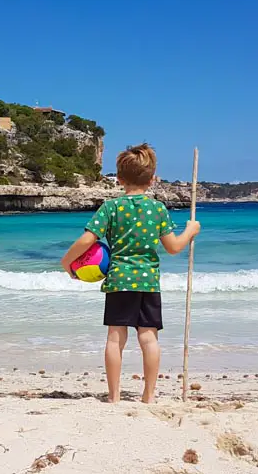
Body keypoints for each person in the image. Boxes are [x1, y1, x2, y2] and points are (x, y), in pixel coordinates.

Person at [61, 144, 200, 403]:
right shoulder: (157, 209)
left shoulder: (111, 208)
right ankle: (148, 396)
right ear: (152, 179)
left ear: (120, 179)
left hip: (118, 280)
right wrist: (190, 231)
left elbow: (87, 240)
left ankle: (114, 396)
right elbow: (172, 248)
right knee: (148, 338)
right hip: (148, 282)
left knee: (116, 338)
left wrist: (67, 261)